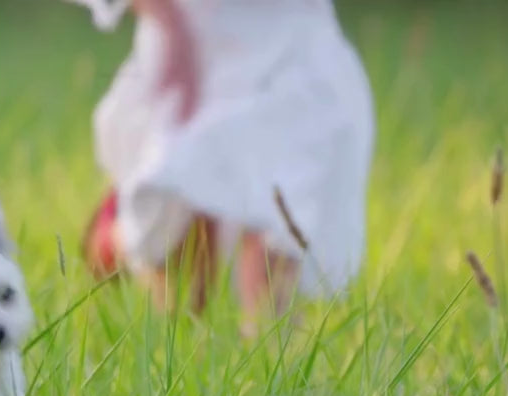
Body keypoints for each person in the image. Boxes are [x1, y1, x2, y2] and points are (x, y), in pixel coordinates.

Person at [70, 0, 375, 334]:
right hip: (193, 45)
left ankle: (271, 371)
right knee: (183, 263)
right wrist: (169, 21)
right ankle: (119, 236)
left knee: (279, 227)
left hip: (294, 45)